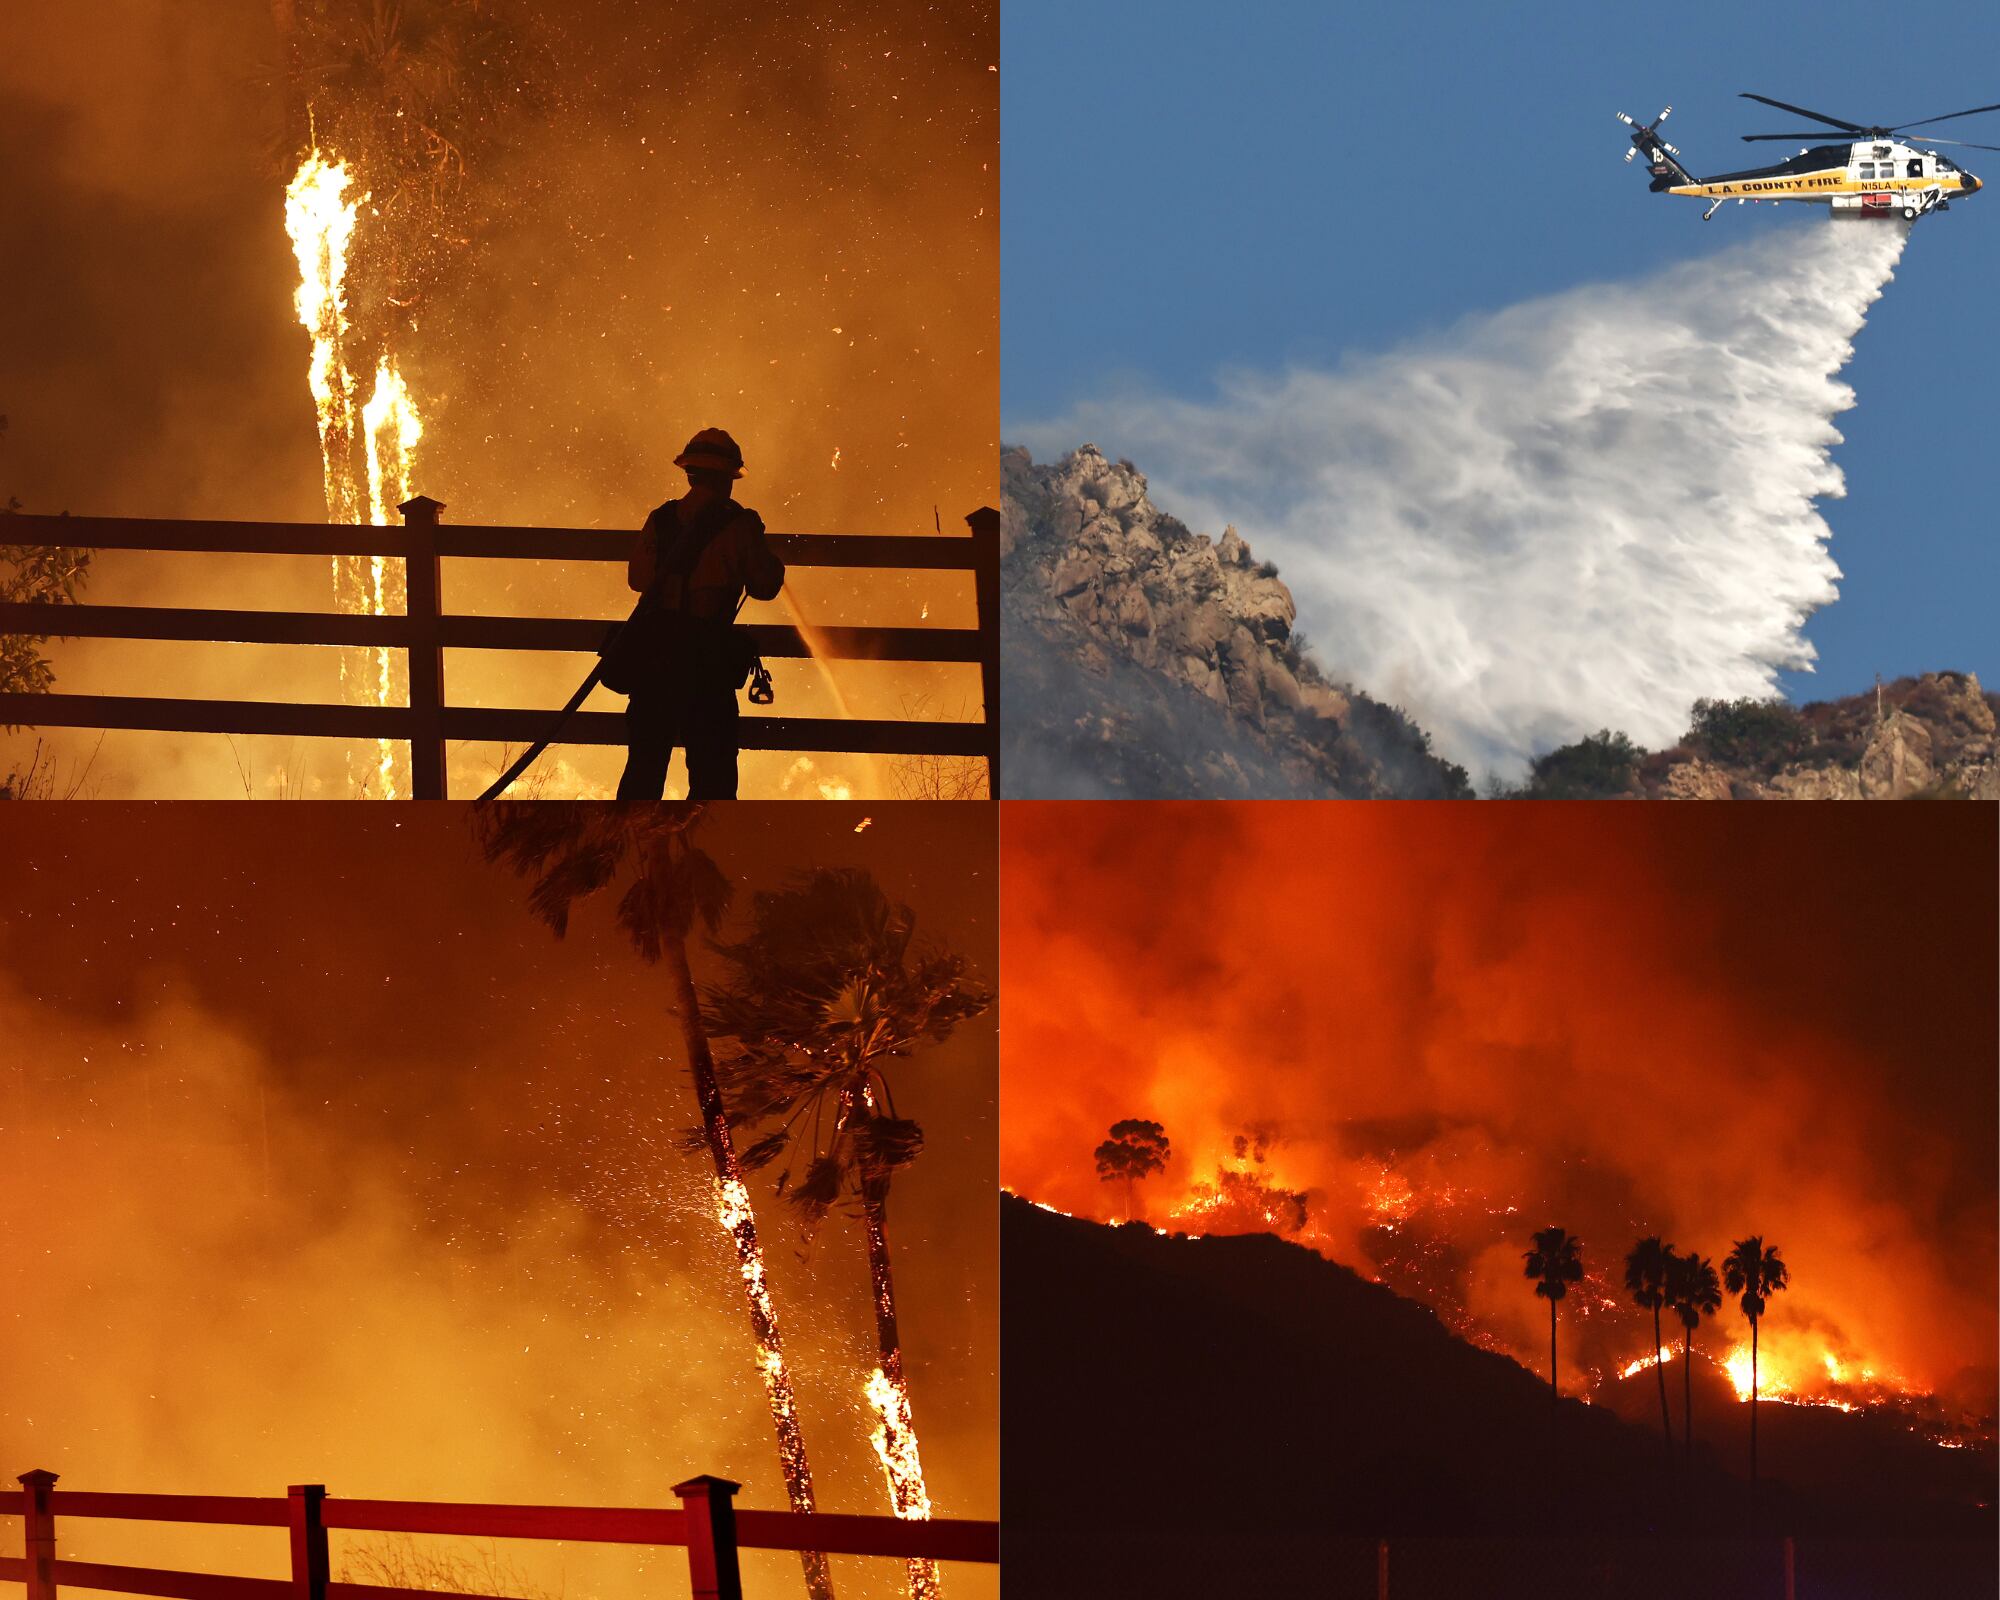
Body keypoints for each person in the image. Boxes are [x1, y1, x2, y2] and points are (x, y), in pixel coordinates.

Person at [613, 427, 784, 799]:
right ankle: (705, 853)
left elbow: (638, 579)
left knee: (643, 770)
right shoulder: (741, 525)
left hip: (655, 660)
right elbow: (765, 586)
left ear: (689, 474)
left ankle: (628, 849)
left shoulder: (660, 520)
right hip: (706, 665)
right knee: (713, 779)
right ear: (728, 478)